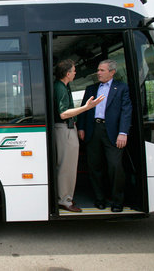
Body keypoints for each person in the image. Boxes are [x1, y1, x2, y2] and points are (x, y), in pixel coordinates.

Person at [78, 59, 132, 212]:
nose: (98, 73)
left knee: (115, 167)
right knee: (94, 166)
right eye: (98, 70)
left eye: (102, 70)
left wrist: (123, 133)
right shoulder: (91, 89)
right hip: (93, 130)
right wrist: (81, 127)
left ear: (112, 72)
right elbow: (84, 109)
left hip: (113, 132)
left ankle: (117, 201)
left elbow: (126, 111)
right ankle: (99, 199)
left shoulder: (121, 88)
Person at [53, 59, 105, 212]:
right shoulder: (60, 88)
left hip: (65, 129)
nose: (76, 72)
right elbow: (63, 114)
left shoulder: (62, 86)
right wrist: (86, 108)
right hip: (64, 129)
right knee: (66, 167)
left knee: (64, 166)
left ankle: (64, 197)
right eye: (74, 70)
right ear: (68, 74)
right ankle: (65, 200)